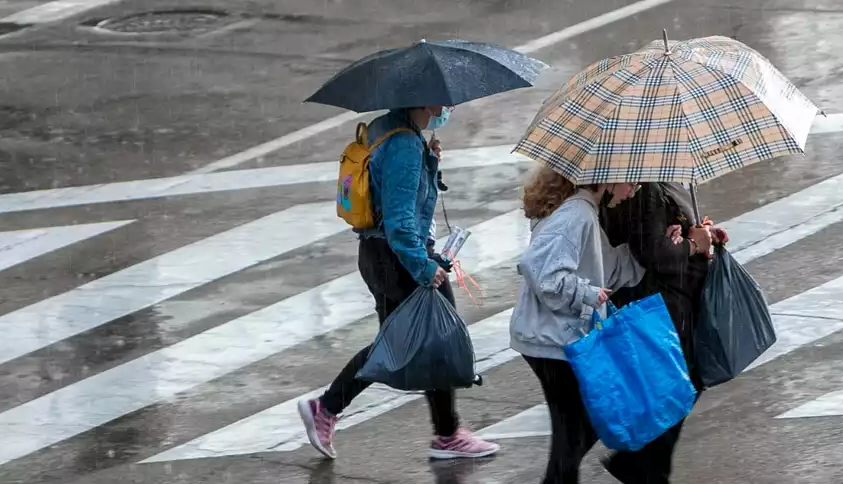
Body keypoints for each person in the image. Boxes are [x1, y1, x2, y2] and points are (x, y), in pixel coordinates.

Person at [297, 105, 500, 461]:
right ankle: (444, 434)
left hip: (379, 255)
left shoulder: (388, 129)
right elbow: (400, 221)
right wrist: (423, 267)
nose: (448, 108)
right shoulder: (405, 144)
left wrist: (430, 163)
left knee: (410, 342)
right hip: (399, 259)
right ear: (426, 102)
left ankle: (443, 432)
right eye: (443, 101)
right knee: (431, 339)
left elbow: (395, 194)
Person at [509, 166, 646, 484]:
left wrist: (661, 249)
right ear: (608, 178)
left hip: (551, 339)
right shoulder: (578, 213)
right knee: (576, 431)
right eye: (630, 180)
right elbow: (543, 272)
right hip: (552, 343)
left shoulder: (582, 210)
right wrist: (587, 294)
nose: (634, 189)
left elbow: (609, 270)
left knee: (574, 433)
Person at [598, 182, 727, 484]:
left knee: (685, 382)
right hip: (664, 303)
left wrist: (705, 236)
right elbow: (652, 253)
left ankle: (641, 465)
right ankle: (644, 467)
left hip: (680, 297)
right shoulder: (647, 189)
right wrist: (692, 245)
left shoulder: (669, 183)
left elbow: (674, 236)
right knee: (682, 382)